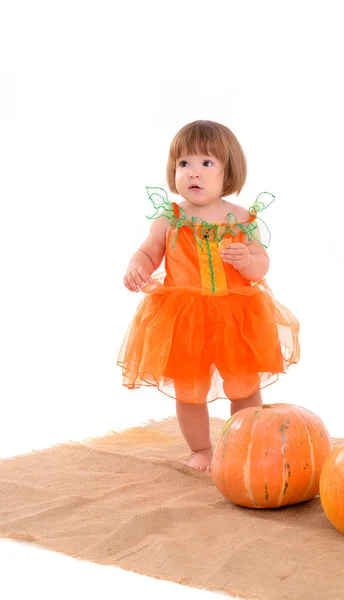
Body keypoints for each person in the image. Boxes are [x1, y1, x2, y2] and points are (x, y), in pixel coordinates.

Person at [118, 120, 300, 471]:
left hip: (236, 317)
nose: (193, 173)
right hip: (184, 317)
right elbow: (148, 252)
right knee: (190, 390)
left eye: (206, 163)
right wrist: (136, 266)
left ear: (227, 171)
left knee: (244, 388)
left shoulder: (243, 219)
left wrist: (247, 260)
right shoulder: (169, 220)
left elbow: (262, 265)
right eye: (184, 164)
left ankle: (244, 444)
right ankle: (201, 449)